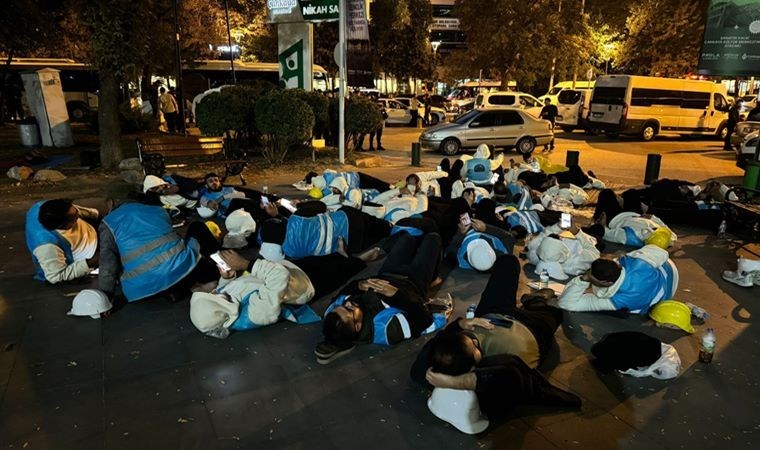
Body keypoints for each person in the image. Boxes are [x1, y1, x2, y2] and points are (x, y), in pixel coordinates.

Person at [410, 254, 580, 418]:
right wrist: (455, 383)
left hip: (492, 313)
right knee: (555, 313)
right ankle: (535, 300)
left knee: (508, 262)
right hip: (533, 327)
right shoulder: (492, 372)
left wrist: (461, 324)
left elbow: (420, 366)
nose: (474, 338)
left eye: (467, 338)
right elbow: (510, 375)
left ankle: (529, 302)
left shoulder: (440, 360)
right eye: (474, 346)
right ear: (472, 366)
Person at [316, 232, 446, 363]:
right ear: (358, 326)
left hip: (388, 273)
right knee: (433, 238)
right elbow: (423, 318)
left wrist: (359, 285)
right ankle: (433, 277)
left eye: (343, 306)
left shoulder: (332, 314)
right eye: (349, 310)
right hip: (413, 282)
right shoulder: (386, 330)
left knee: (407, 238)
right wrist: (396, 294)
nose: (348, 304)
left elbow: (345, 291)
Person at [98, 201, 218, 303]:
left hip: (143, 290)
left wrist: (105, 298)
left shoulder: (108, 223)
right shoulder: (156, 209)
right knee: (197, 226)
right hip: (183, 271)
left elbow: (108, 265)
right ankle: (222, 266)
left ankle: (176, 291)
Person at [189, 257, 316, 337]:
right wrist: (246, 264)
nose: (213, 292)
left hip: (287, 269)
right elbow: (280, 275)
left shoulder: (225, 307)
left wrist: (227, 278)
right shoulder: (255, 314)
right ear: (222, 311)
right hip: (304, 281)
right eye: (213, 297)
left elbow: (226, 292)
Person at [558, 244, 679, 314]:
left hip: (662, 297)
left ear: (605, 283)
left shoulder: (619, 301)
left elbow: (567, 304)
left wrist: (583, 280)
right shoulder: (637, 262)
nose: (587, 274)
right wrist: (630, 255)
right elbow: (661, 252)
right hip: (669, 271)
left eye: (591, 276)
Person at [25, 199, 99, 284]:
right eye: (74, 218)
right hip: (88, 257)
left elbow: (75, 211)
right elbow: (56, 276)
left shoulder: (45, 207)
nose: (78, 215)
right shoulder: (47, 247)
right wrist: (91, 262)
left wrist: (96, 215)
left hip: (91, 233)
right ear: (61, 225)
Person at [526, 225, 600, 280]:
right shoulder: (576, 262)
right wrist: (577, 232)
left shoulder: (534, 256)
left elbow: (532, 244)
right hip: (586, 241)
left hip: (575, 243)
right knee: (596, 233)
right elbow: (594, 253)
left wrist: (558, 226)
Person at [446, 218, 515, 272]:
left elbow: (449, 252)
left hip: (466, 231)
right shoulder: (505, 256)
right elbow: (509, 237)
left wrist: (461, 232)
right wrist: (486, 228)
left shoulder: (460, 261)